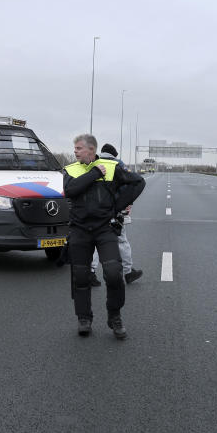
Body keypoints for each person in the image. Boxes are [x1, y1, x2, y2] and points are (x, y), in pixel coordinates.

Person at [63, 134, 145, 339]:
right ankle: (84, 319)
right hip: (80, 229)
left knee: (113, 272)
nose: (75, 152)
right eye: (75, 148)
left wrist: (116, 206)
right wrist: (94, 173)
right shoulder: (70, 170)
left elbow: (138, 182)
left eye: (79, 148)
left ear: (91, 149)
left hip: (104, 228)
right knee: (81, 277)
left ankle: (114, 316)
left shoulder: (111, 166)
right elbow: (70, 190)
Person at [90, 144, 143, 286]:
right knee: (121, 241)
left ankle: (90, 272)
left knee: (94, 242)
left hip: (93, 210)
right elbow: (129, 186)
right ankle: (128, 272)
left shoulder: (92, 163)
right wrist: (126, 204)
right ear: (114, 155)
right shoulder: (118, 165)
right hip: (113, 210)